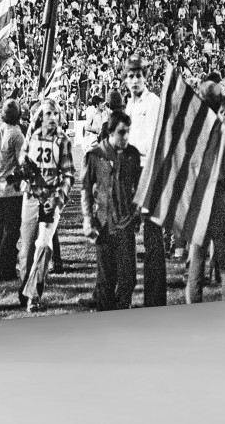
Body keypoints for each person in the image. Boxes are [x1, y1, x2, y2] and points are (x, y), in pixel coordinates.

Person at [185, 81, 225, 303]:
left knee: (197, 260)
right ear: (221, 103)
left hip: (199, 195)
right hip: (220, 197)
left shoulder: (192, 133)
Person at [18, 98, 76, 312]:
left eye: (55, 114)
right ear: (40, 116)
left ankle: (34, 294)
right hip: (31, 197)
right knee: (26, 250)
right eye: (48, 114)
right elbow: (22, 161)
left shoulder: (62, 141)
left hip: (51, 199)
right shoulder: (31, 136)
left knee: (43, 244)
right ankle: (26, 285)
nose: (52, 118)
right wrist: (24, 174)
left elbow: (68, 175)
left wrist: (57, 199)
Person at [81, 110, 141, 311]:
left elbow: (138, 187)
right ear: (111, 133)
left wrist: (136, 212)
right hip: (103, 223)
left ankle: (124, 307)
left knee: (128, 278)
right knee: (106, 279)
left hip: (125, 222)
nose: (125, 137)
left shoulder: (132, 154)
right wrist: (88, 219)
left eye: (128, 132)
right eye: (121, 133)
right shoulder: (96, 155)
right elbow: (86, 190)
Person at [122, 54, 166, 307]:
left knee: (152, 235)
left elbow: (154, 143)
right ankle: (125, 293)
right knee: (126, 233)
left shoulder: (153, 102)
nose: (134, 80)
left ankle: (155, 297)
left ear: (145, 78)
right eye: (130, 76)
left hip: (148, 171)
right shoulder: (129, 105)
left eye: (138, 75)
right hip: (129, 172)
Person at [0, 98, 25, 281]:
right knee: (11, 231)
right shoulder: (17, 134)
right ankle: (7, 270)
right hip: (11, 189)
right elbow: (22, 162)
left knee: (0, 231)